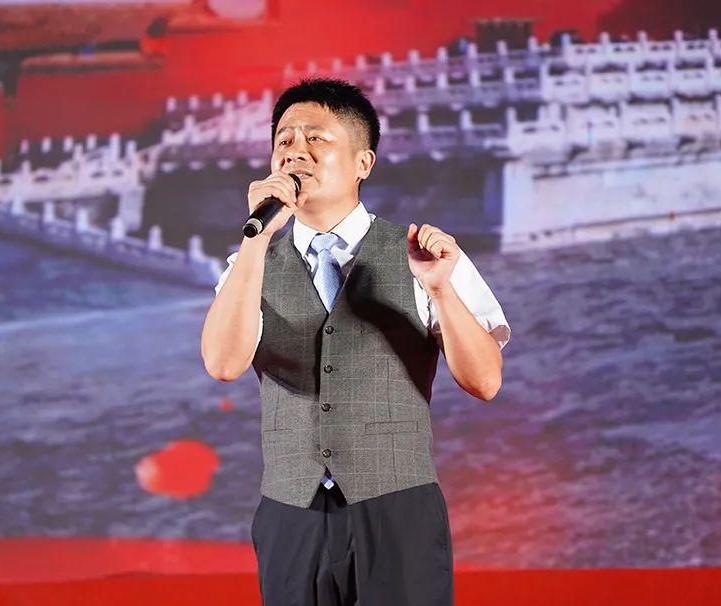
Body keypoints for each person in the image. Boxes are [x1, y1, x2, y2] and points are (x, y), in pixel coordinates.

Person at [201, 77, 510, 606]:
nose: (295, 150)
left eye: (315, 138)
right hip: (291, 513)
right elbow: (223, 364)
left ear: (363, 162)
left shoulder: (424, 253)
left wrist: (440, 289)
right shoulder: (250, 262)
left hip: (397, 507)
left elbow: (485, 382)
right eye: (284, 139)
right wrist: (256, 241)